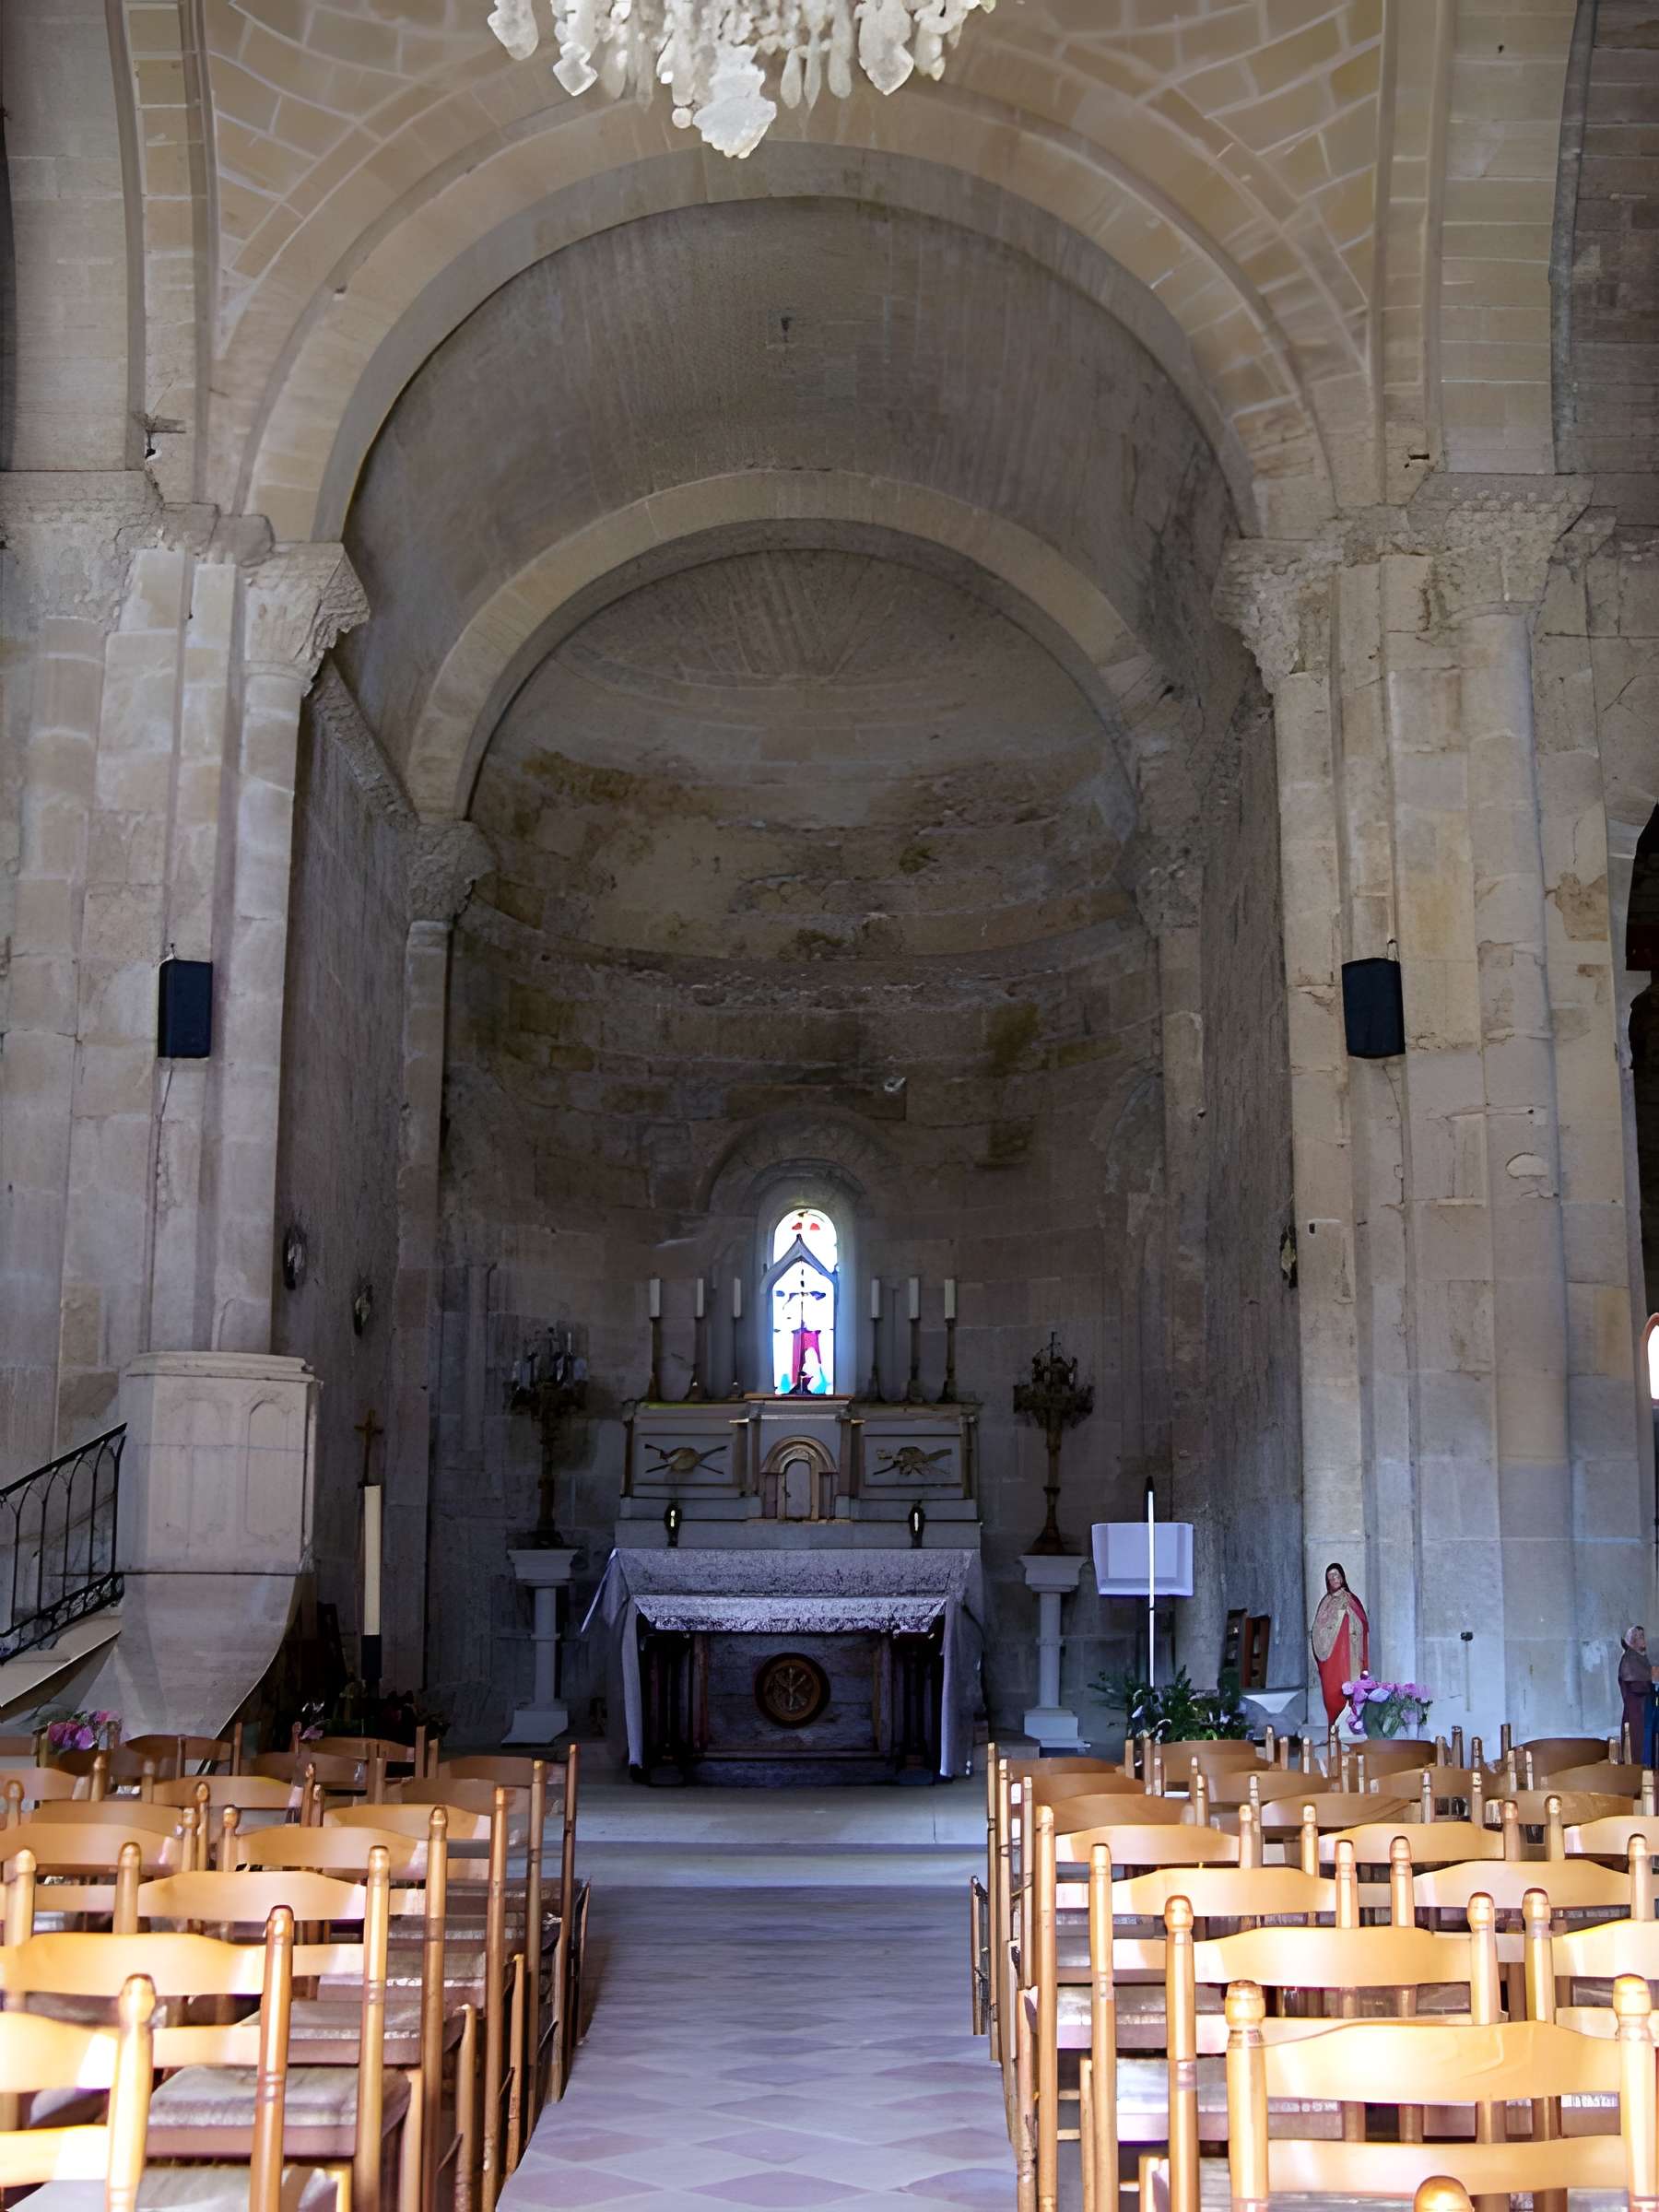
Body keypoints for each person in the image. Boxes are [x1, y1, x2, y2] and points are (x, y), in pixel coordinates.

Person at [1310, 1562, 1369, 1726]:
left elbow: (1364, 1624)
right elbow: (1317, 1628)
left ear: (1342, 1576)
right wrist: (1337, 1617)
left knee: (1352, 1689)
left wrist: (1350, 1615)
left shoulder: (1352, 1599)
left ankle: (1353, 1724)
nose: (1334, 1579)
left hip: (1350, 1654)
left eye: (1336, 1575)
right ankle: (1333, 1727)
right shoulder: (1326, 1602)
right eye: (1331, 1577)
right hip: (1332, 1655)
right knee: (1332, 1691)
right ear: (1327, 1581)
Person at [1619, 1625, 1653, 1759]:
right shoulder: (1629, 1659)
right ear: (1632, 1641)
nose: (1643, 1639)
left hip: (1644, 1710)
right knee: (1637, 1747)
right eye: (1639, 1637)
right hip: (1636, 1712)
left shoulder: (1641, 1658)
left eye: (1643, 1636)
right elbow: (1636, 1685)